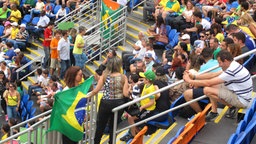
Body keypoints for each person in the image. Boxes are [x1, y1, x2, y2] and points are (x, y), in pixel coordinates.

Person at [183, 50, 253, 121]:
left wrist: (189, 80)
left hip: (241, 100)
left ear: (225, 61)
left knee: (207, 90)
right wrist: (195, 77)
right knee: (211, 86)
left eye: (219, 63)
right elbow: (213, 75)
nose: (219, 65)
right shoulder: (232, 64)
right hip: (242, 95)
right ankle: (214, 112)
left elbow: (208, 83)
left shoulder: (231, 70)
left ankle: (231, 106)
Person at [86, 57, 129, 144]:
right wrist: (129, 88)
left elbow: (95, 90)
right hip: (119, 103)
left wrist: (86, 97)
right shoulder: (124, 77)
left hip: (105, 103)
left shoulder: (104, 76)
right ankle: (111, 142)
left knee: (100, 126)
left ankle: (96, 142)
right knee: (113, 127)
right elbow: (125, 94)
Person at [61, 66, 84, 144]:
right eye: (80, 75)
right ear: (74, 76)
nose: (82, 77)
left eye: (82, 75)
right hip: (68, 124)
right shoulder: (66, 90)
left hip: (77, 123)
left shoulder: (80, 88)